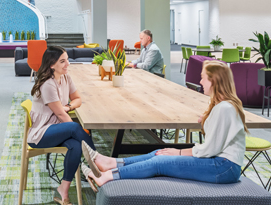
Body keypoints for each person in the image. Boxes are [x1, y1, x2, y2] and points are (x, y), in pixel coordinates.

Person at [81, 61, 247, 189]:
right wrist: (208, 119)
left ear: (214, 81)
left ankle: (107, 176)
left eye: (203, 77)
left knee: (160, 162)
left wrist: (179, 152)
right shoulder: (221, 106)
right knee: (159, 152)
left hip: (224, 168)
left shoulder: (224, 108)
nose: (200, 81)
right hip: (219, 163)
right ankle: (111, 163)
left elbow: (210, 149)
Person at [28, 46, 95, 205]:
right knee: (74, 127)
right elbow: (62, 117)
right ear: (52, 65)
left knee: (75, 145)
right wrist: (82, 132)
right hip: (41, 133)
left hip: (57, 128)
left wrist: (68, 106)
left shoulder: (65, 78)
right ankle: (97, 162)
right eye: (62, 61)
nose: (67, 64)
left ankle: (63, 191)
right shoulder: (48, 85)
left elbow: (78, 99)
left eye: (67, 59)